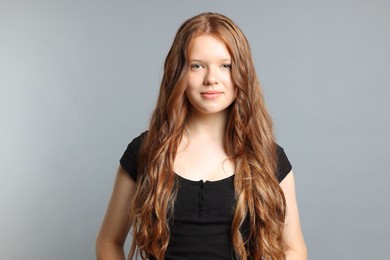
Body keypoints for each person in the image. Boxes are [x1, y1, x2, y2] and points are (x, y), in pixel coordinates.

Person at [96, 12, 307, 260]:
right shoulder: (145, 151)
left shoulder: (269, 157)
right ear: (178, 73)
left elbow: (294, 249)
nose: (211, 79)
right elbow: (108, 242)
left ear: (242, 72)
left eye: (225, 66)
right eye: (197, 66)